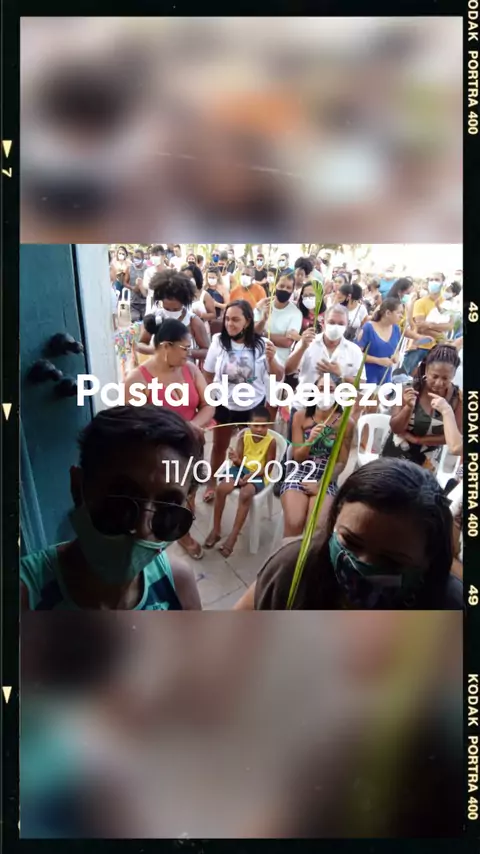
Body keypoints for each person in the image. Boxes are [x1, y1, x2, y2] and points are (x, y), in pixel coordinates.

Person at [21, 406, 203, 610]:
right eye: (122, 499)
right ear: (78, 487)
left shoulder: (178, 584)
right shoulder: (24, 594)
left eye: (169, 507)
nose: (143, 529)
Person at [234, 458, 463, 610]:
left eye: (391, 561)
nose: (362, 566)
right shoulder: (294, 568)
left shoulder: (452, 607)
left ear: (428, 560)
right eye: (351, 542)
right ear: (335, 520)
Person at [125, 319, 215, 560]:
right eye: (184, 348)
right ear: (166, 346)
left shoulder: (190, 370)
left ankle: (187, 509)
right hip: (162, 454)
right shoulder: (138, 380)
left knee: (192, 485)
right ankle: (182, 534)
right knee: (171, 495)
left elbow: (208, 405)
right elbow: (135, 427)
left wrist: (192, 425)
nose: (189, 353)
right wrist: (177, 428)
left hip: (193, 444)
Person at [202, 300, 284, 503]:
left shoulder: (262, 345)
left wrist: (272, 359)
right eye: (227, 319)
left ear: (247, 321)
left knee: (253, 446)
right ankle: (212, 483)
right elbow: (208, 373)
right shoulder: (218, 341)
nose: (230, 324)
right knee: (219, 446)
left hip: (253, 407)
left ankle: (250, 480)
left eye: (236, 319)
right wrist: (212, 398)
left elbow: (279, 375)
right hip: (225, 405)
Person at [280, 375, 354, 538]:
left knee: (317, 527)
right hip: (300, 471)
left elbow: (341, 463)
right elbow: (298, 458)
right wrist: (310, 440)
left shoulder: (346, 423)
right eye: (321, 389)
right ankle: (288, 554)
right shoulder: (300, 416)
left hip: (327, 475)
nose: (325, 394)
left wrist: (321, 484)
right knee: (294, 523)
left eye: (331, 389)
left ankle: (309, 555)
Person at [204, 406, 277, 556]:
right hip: (241, 469)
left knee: (246, 494)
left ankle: (233, 536)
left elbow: (269, 467)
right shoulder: (244, 436)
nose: (259, 429)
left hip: (259, 473)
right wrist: (235, 459)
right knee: (221, 489)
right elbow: (239, 461)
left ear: (268, 426)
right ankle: (216, 530)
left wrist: (252, 475)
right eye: (256, 425)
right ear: (249, 424)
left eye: (264, 426)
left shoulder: (271, 442)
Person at [381, 344, 462, 473]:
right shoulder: (407, 388)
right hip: (396, 454)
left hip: (428, 461)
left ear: (453, 375)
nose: (439, 383)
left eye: (445, 378)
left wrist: (419, 440)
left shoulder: (458, 398)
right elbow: (396, 428)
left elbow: (454, 436)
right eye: (435, 376)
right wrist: (408, 408)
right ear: (426, 370)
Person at [285, 305, 365, 422]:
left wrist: (340, 375)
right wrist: (302, 348)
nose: (336, 327)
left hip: (336, 415)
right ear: (323, 323)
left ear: (347, 325)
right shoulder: (308, 343)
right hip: (303, 408)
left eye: (341, 324)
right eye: (331, 322)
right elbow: (288, 370)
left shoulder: (354, 351)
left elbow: (361, 384)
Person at [136, 270, 210, 362]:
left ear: (183, 303)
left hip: (184, 368)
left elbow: (206, 351)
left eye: (175, 309)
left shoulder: (193, 321)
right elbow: (140, 345)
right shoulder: (155, 317)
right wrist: (155, 350)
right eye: (167, 308)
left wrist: (186, 352)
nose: (171, 312)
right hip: (158, 367)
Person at [402, 272, 454, 376]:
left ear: (443, 283)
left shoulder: (447, 304)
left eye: (437, 280)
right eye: (431, 280)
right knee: (406, 375)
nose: (433, 282)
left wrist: (430, 325)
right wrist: (439, 333)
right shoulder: (420, 303)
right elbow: (420, 326)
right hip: (419, 345)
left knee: (431, 378)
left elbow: (450, 325)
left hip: (437, 348)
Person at [253, 274, 303, 366]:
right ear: (275, 285)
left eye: (288, 287)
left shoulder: (296, 313)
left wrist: (263, 334)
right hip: (256, 360)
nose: (284, 289)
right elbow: (253, 331)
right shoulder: (262, 306)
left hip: (278, 364)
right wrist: (263, 319)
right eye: (281, 286)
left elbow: (287, 342)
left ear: (292, 290)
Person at [357, 298, 403, 386]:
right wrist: (378, 360)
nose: (401, 316)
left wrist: (396, 356)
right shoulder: (368, 328)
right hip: (367, 378)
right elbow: (357, 354)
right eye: (399, 313)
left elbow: (396, 349)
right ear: (388, 313)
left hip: (385, 379)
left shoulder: (396, 329)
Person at [127, 248, 148, 322]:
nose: (136, 259)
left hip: (145, 302)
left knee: (146, 321)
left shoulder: (147, 269)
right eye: (134, 257)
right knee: (135, 320)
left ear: (142, 258)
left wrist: (141, 286)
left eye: (138, 258)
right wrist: (132, 287)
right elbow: (125, 282)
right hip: (134, 302)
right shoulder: (130, 268)